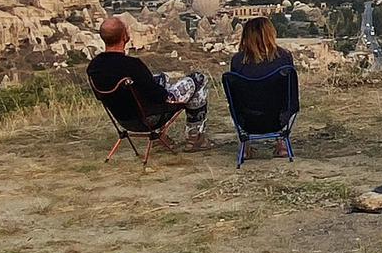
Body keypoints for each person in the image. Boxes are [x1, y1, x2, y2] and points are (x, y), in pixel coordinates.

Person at [87, 16, 213, 151]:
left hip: (124, 119)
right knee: (198, 79)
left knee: (161, 78)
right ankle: (195, 138)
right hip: (149, 118)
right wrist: (167, 92)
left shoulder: (94, 67)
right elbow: (158, 96)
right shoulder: (133, 66)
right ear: (124, 36)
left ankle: (161, 139)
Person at [228, 16, 296, 157]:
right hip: (278, 119)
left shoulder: (237, 61)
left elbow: (235, 98)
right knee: (284, 98)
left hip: (247, 120)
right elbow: (291, 94)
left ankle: (246, 145)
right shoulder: (284, 57)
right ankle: (281, 142)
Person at [229, 16, 294, 79]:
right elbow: (292, 87)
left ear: (246, 37)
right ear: (271, 34)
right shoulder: (284, 57)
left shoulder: (237, 61)